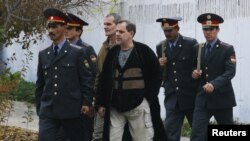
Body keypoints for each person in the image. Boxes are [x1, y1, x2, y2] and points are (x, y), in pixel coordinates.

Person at [96, 20, 166, 141]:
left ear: (131, 33)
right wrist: (101, 102)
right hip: (115, 107)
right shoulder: (113, 53)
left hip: (138, 106)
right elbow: (104, 78)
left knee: (142, 138)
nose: (117, 34)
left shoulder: (143, 51)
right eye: (117, 31)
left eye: (121, 31)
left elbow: (156, 75)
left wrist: (147, 98)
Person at [35, 8, 94, 141]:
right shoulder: (43, 54)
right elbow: (40, 84)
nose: (50, 31)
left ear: (64, 28)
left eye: (54, 27)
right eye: (49, 27)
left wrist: (86, 102)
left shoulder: (77, 52)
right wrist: (40, 106)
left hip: (71, 110)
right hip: (49, 110)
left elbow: (86, 79)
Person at [190, 13, 237, 141]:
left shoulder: (227, 49)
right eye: (205, 29)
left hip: (222, 97)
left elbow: (230, 72)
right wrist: (194, 73)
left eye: (211, 29)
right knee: (197, 134)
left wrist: (214, 84)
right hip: (203, 98)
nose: (208, 32)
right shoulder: (197, 48)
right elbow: (193, 67)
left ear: (217, 30)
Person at [155, 17, 198, 141]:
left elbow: (198, 65)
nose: (167, 33)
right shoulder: (161, 46)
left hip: (190, 97)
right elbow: (161, 74)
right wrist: (159, 65)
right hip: (172, 98)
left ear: (177, 28)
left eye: (170, 30)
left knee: (198, 133)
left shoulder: (190, 43)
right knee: (171, 135)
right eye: (165, 31)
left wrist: (196, 72)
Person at [93, 13, 131, 141]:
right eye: (104, 24)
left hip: (122, 102)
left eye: (108, 24)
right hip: (104, 102)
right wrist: (98, 102)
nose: (105, 27)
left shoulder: (127, 47)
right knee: (98, 135)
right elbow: (99, 76)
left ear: (117, 26)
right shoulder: (103, 48)